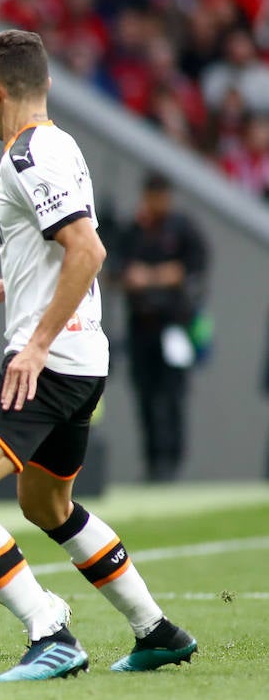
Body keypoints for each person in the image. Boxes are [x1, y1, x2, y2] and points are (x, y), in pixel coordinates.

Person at [0, 29, 197, 681]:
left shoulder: (25, 158)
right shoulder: (60, 144)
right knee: (47, 507)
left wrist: (35, 345)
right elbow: (57, 251)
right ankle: (156, 630)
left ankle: (49, 631)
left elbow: (89, 252)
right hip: (83, 359)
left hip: (51, 363)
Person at [116, 171, 209, 483]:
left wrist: (157, 276)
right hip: (141, 325)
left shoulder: (181, 228)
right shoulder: (134, 230)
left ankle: (172, 460)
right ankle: (153, 460)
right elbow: (115, 268)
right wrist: (132, 276)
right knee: (144, 393)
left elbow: (194, 267)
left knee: (172, 394)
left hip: (173, 326)